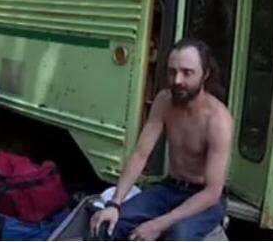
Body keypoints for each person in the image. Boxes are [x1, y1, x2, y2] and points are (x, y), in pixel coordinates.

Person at [90, 38, 232, 240]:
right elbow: (140, 154)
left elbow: (212, 192)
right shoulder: (164, 101)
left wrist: (157, 224)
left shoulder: (218, 120)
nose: (177, 80)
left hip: (204, 200)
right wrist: (115, 203)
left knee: (177, 235)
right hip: (170, 188)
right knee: (112, 223)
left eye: (187, 72)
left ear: (205, 74)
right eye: (172, 72)